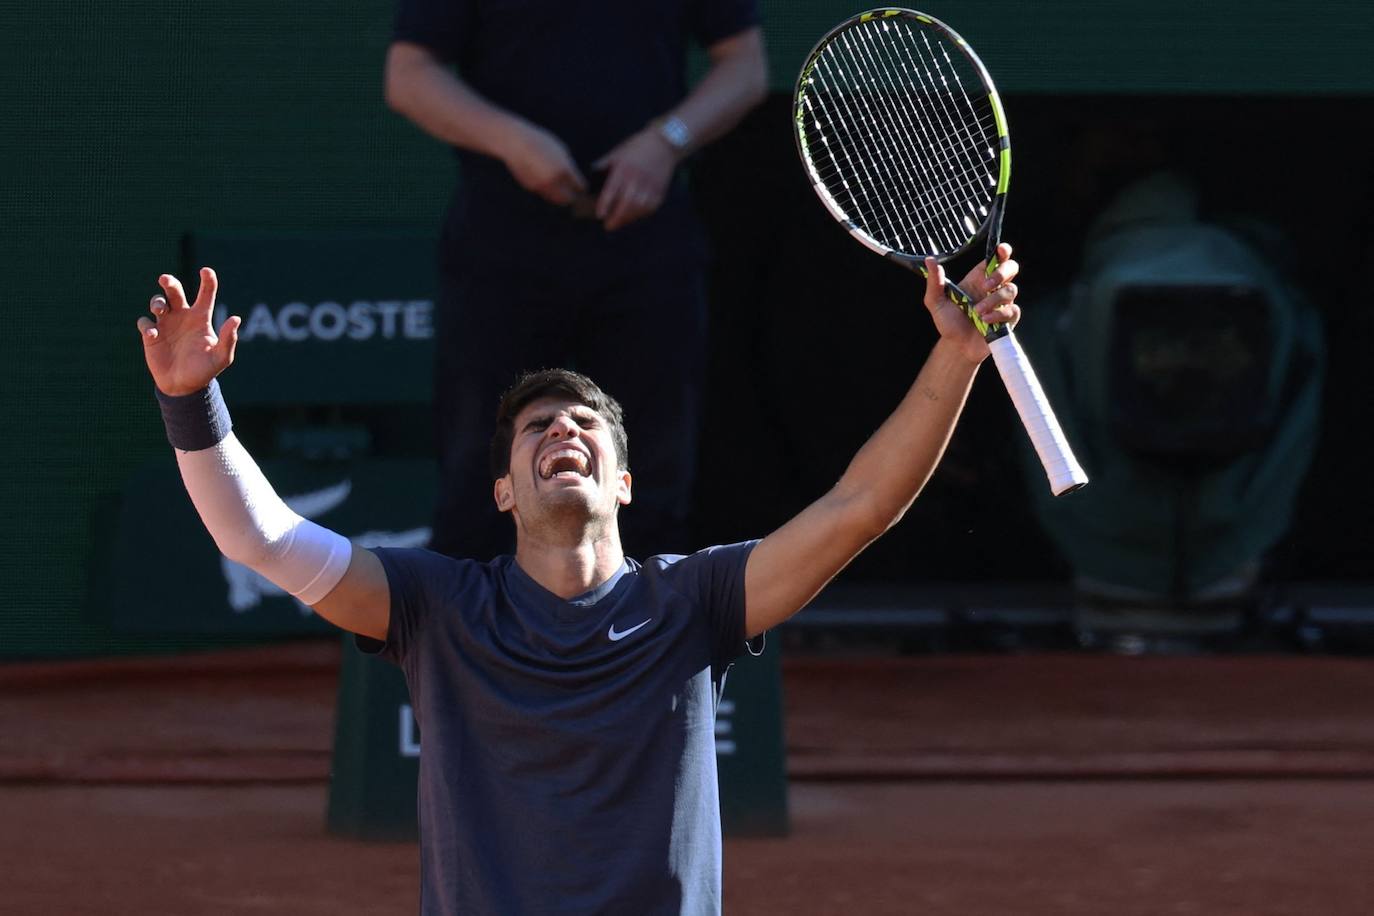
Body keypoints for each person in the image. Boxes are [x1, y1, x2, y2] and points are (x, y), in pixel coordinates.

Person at [136, 245, 1021, 915]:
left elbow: (859, 506)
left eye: (584, 422)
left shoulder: (696, 602)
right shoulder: (434, 609)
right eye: (535, 428)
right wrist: (191, 401)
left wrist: (957, 355)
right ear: (503, 491)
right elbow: (261, 538)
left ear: (624, 482)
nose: (562, 429)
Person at [382, 0, 769, 563]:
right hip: (501, 256)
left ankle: (644, 645)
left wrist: (667, 141)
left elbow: (745, 65)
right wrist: (512, 140)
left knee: (651, 481)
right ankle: (476, 649)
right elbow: (410, 74)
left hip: (647, 254)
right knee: (481, 478)